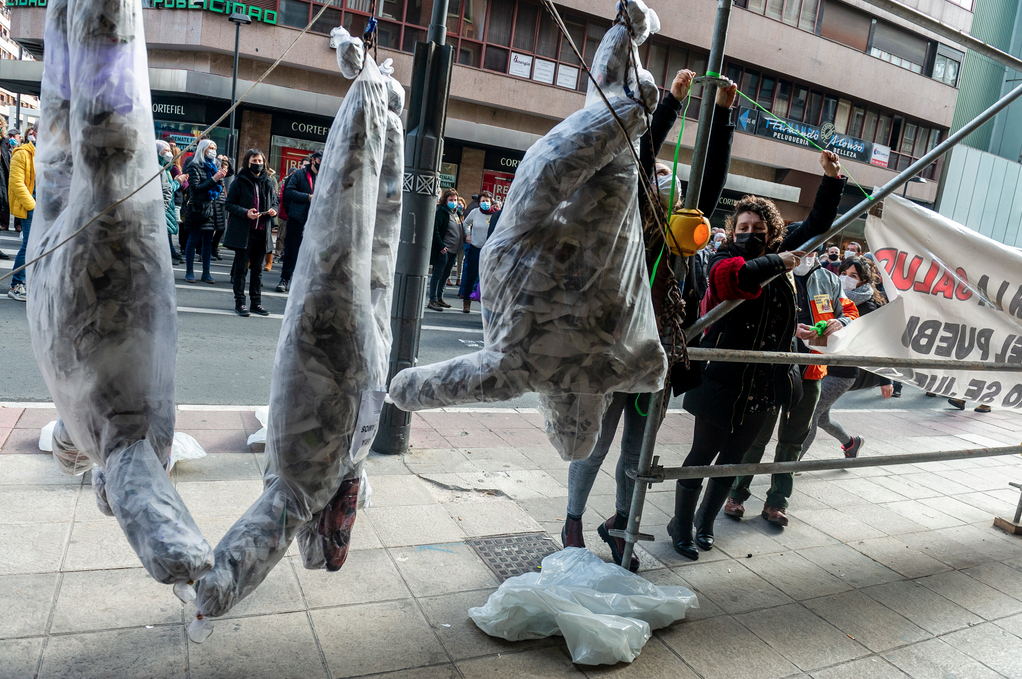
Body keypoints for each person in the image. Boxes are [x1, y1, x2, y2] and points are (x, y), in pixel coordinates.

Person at [561, 70, 738, 571]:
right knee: (595, 445)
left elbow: (711, 181)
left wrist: (723, 116)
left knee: (636, 454)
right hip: (612, 350)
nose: (665, 188)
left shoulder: (683, 239)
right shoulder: (627, 227)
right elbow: (641, 160)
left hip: (655, 355)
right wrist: (673, 104)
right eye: (658, 182)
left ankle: (619, 525)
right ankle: (572, 520)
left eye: (672, 187)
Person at [666, 150, 846, 560]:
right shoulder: (725, 257)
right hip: (722, 380)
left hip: (765, 384)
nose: (751, 232)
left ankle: (705, 523)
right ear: (733, 231)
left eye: (759, 227)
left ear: (772, 231)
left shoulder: (782, 253)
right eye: (743, 226)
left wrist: (832, 179)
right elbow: (732, 282)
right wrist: (776, 261)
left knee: (732, 462)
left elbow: (818, 223)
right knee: (700, 458)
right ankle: (680, 523)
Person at [724, 237, 858, 528]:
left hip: (811, 372)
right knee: (756, 435)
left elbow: (849, 311)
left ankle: (777, 502)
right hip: (771, 371)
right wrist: (788, 329)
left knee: (793, 440)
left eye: (813, 249)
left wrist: (840, 323)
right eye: (802, 247)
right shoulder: (771, 275)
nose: (807, 254)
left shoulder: (829, 281)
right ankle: (736, 494)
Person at [795, 256, 894, 462]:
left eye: (853, 276)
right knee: (823, 418)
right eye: (844, 273)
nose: (846, 278)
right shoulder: (829, 291)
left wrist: (886, 379)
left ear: (863, 281)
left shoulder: (869, 306)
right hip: (820, 365)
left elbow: (878, 343)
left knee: (810, 415)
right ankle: (851, 443)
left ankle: (790, 465)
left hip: (842, 371)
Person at [224, 149, 277, 317]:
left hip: (262, 231)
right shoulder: (239, 181)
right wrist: (245, 212)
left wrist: (273, 210)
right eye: (254, 161)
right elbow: (229, 204)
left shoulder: (268, 181)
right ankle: (240, 302)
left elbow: (275, 202)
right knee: (241, 270)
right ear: (248, 162)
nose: (258, 164)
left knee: (257, 270)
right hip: (244, 232)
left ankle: (256, 303)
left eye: (260, 161)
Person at [182, 138, 228, 284]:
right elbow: (195, 189)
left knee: (208, 241)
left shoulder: (214, 166)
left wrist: (218, 179)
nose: (213, 150)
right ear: (203, 149)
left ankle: (206, 273)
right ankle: (189, 271)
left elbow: (218, 188)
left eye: (214, 147)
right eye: (210, 148)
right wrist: (214, 179)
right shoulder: (194, 165)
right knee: (193, 240)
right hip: (198, 209)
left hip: (212, 209)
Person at [277, 151, 321, 293]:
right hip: (297, 219)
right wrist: (308, 197)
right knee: (291, 251)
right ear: (313, 160)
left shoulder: (324, 176)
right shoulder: (299, 174)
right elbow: (288, 193)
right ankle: (285, 279)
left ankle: (302, 283)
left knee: (311, 253)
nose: (322, 163)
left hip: (315, 220)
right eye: (320, 160)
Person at [7, 125, 35, 301]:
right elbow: (17, 183)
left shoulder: (51, 154)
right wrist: (33, 206)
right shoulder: (22, 153)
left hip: (48, 208)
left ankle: (32, 281)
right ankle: (16, 284)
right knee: (29, 245)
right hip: (32, 206)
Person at [459, 190, 496, 312]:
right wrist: (468, 235)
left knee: (487, 278)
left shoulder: (495, 214)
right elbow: (466, 224)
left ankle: (486, 306)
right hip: (475, 248)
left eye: (487, 201)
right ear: (479, 203)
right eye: (483, 201)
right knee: (471, 276)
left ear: (491, 202)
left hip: (489, 251)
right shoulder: (475, 213)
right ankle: (466, 302)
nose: (485, 203)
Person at [427, 188, 463, 311]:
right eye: (451, 200)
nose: (454, 202)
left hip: (454, 250)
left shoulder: (456, 212)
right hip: (444, 249)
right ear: (445, 201)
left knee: (446, 275)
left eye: (455, 199)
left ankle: (439, 298)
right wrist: (441, 246)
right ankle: (432, 300)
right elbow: (436, 230)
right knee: (438, 275)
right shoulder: (441, 212)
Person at [156, 140, 186, 264]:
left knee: (166, 233)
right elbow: (166, 189)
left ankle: (171, 254)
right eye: (165, 150)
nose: (168, 153)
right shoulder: (158, 169)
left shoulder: (165, 168)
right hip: (163, 208)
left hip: (167, 207)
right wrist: (178, 182)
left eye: (169, 150)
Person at [211, 155, 234, 260]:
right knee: (211, 228)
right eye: (223, 168)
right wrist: (220, 160)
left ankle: (214, 249)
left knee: (220, 229)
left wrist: (227, 161)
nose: (225, 171)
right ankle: (209, 250)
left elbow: (232, 171)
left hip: (221, 203)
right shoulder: (215, 173)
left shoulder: (224, 175)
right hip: (214, 202)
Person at [263, 168, 279, 271]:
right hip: (256, 214)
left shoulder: (271, 182)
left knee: (268, 240)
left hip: (267, 216)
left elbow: (275, 200)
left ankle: (269, 262)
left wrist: (273, 209)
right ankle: (249, 261)